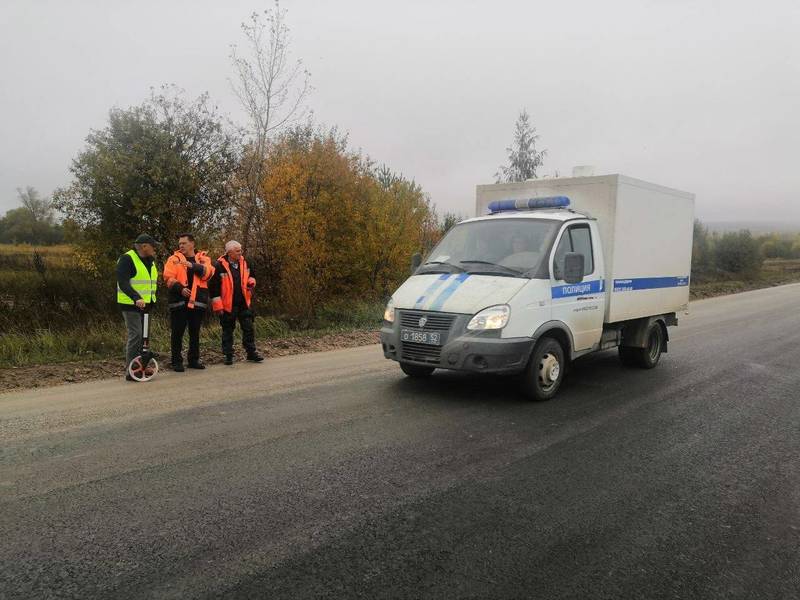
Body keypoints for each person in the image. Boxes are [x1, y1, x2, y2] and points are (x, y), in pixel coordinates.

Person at [163, 233, 214, 371]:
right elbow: (168, 278)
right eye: (180, 243)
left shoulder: (203, 258)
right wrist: (180, 289)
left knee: (195, 333)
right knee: (177, 333)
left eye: (184, 243)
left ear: (192, 244)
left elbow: (208, 273)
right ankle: (176, 362)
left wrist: (192, 265)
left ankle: (193, 360)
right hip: (179, 301)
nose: (181, 246)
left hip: (197, 302)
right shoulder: (173, 259)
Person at [210, 240, 264, 365]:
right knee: (228, 330)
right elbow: (213, 288)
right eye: (238, 251)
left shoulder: (246, 262)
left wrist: (252, 281)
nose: (241, 253)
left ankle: (251, 353)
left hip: (244, 302)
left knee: (249, 328)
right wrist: (218, 306)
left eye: (240, 250)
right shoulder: (219, 266)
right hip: (228, 305)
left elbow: (252, 275)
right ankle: (228, 355)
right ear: (229, 252)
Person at [116, 234, 159, 382]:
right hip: (130, 304)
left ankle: (142, 364)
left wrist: (150, 301)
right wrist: (136, 297)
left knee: (145, 337)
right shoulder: (127, 259)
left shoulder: (150, 261)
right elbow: (123, 282)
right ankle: (130, 370)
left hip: (146, 304)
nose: (155, 249)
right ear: (144, 246)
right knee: (136, 334)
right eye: (153, 246)